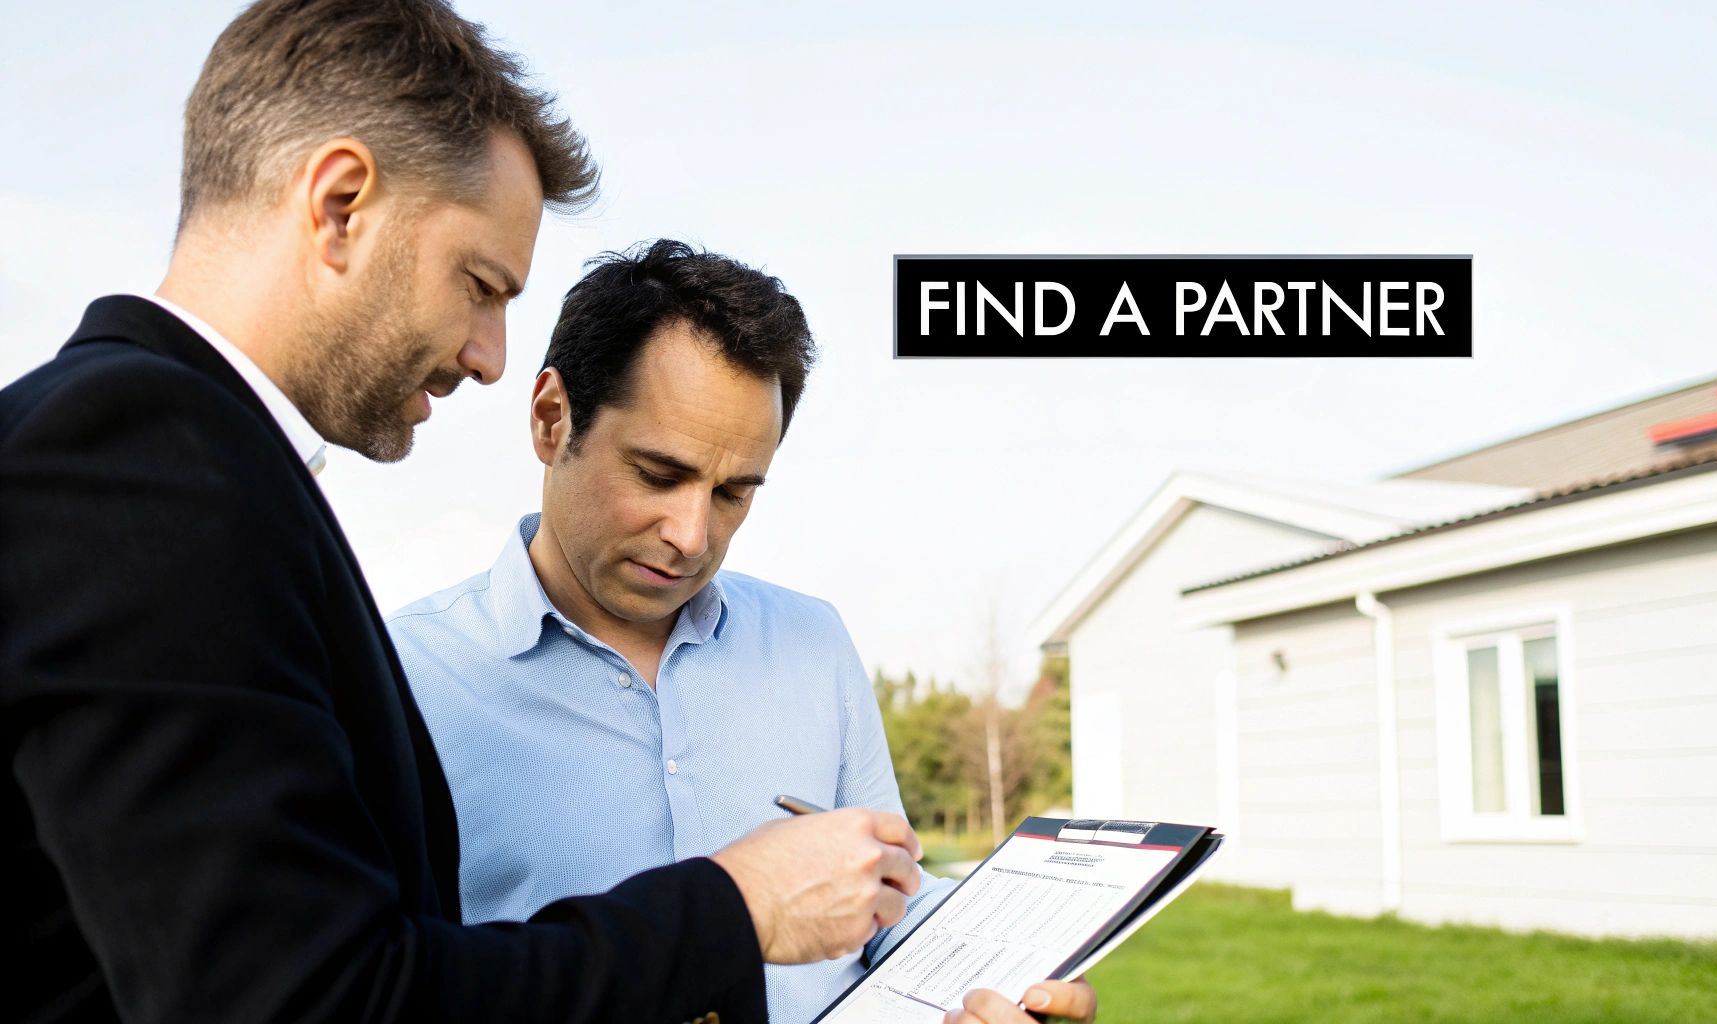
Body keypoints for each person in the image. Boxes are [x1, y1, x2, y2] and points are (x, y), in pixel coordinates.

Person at [0, 3, 921, 1021]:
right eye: (479, 285)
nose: (488, 354)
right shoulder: (135, 456)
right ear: (341, 203)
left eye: (734, 490)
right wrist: (731, 906)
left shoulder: (187, 457)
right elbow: (309, 1000)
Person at [387, 240, 1097, 1024]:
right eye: (659, 475)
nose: (692, 534)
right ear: (553, 419)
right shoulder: (406, 678)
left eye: (733, 492)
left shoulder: (811, 642)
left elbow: (894, 902)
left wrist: (999, 988)